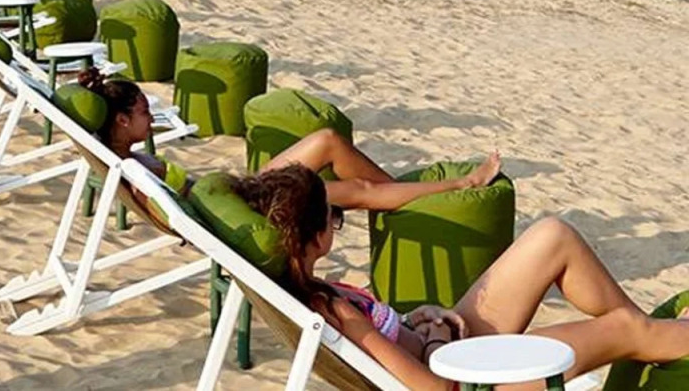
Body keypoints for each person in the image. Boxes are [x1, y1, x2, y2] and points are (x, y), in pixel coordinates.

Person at [230, 164, 689, 390]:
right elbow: (434, 390)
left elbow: (387, 343)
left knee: (553, 236)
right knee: (621, 327)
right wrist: (435, 339)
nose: (337, 224)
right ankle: (654, 338)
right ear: (314, 236)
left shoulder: (316, 292)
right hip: (469, 380)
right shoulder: (332, 312)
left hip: (451, 346)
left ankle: (656, 340)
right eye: (334, 218)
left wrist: (420, 319)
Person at [77, 67, 500, 209]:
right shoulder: (133, 168)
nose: (151, 119)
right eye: (143, 113)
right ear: (120, 120)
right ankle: (460, 185)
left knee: (328, 139)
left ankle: (401, 198)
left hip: (238, 194)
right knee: (359, 190)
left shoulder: (121, 158)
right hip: (245, 209)